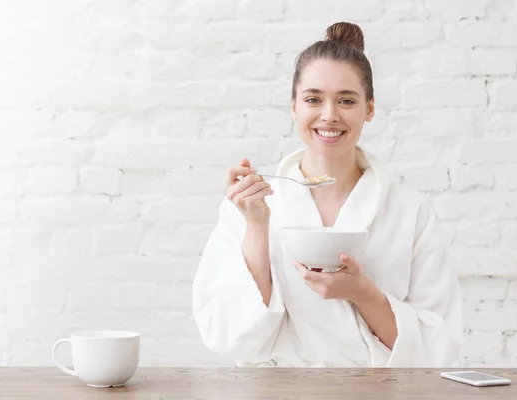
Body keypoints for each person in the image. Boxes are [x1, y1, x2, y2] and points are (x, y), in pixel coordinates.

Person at [192, 22, 462, 367]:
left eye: (347, 100)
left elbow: (440, 347)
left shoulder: (410, 211)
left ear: (370, 109)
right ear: (294, 107)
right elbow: (229, 336)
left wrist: (361, 293)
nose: (329, 115)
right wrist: (257, 225)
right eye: (313, 99)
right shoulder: (248, 204)